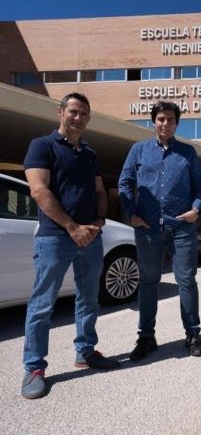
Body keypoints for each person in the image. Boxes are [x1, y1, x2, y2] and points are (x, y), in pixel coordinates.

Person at [21, 92, 118, 400]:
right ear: (60, 112)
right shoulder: (42, 146)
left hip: (90, 237)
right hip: (54, 237)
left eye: (84, 113)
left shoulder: (89, 153)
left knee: (89, 299)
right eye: (74, 111)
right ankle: (34, 368)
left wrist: (98, 222)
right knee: (42, 304)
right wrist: (72, 228)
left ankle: (85, 351)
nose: (78, 117)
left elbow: (99, 191)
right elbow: (39, 191)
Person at [118, 101, 201, 361]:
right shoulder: (138, 150)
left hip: (181, 227)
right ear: (153, 121)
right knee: (148, 282)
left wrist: (196, 209)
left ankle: (193, 334)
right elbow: (125, 183)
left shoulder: (188, 152)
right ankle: (146, 336)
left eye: (170, 119)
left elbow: (200, 187)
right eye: (160, 119)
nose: (165, 123)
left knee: (186, 281)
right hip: (148, 228)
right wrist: (131, 213)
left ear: (177, 123)